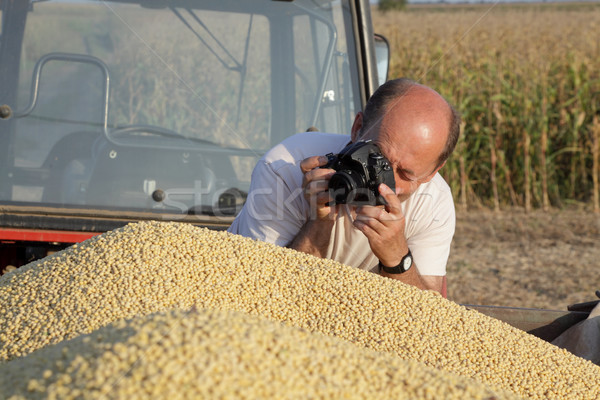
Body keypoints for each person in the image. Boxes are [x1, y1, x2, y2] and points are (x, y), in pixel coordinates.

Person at [228, 78, 461, 295]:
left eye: (405, 174)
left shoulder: (434, 200)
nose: (384, 182)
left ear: (432, 172)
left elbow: (431, 315)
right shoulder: (285, 168)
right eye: (378, 159)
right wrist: (318, 222)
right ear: (357, 128)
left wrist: (397, 258)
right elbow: (262, 294)